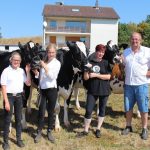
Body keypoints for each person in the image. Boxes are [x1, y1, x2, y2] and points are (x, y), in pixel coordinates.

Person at [121, 32, 150, 140]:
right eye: (133, 39)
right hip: (128, 85)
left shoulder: (147, 51)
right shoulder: (126, 52)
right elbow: (123, 65)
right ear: (130, 40)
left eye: (137, 39)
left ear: (141, 40)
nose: (135, 41)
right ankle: (128, 126)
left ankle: (144, 129)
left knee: (143, 108)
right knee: (128, 107)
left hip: (141, 85)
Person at [79, 44, 111, 138]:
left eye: (102, 52)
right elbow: (86, 78)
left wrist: (97, 75)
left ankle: (98, 129)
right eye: (99, 51)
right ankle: (86, 130)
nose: (100, 53)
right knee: (88, 110)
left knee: (102, 110)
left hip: (104, 90)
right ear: (96, 52)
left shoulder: (106, 62)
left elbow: (109, 76)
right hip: (92, 90)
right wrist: (86, 71)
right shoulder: (90, 62)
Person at [0, 52, 31, 150]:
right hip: (9, 97)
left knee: (18, 119)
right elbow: (3, 87)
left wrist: (28, 71)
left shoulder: (22, 71)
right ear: (11, 60)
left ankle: (19, 139)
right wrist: (6, 101)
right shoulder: (6, 71)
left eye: (18, 60)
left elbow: (28, 83)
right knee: (7, 120)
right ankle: (5, 142)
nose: (16, 62)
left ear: (20, 61)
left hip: (19, 97)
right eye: (15, 60)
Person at [33, 43, 61, 143]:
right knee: (41, 111)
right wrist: (36, 73)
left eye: (53, 52)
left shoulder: (57, 63)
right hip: (42, 90)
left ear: (55, 53)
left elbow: (53, 77)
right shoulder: (44, 61)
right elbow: (41, 76)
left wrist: (44, 67)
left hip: (52, 90)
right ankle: (39, 131)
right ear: (47, 52)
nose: (51, 54)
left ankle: (49, 131)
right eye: (49, 52)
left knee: (50, 111)